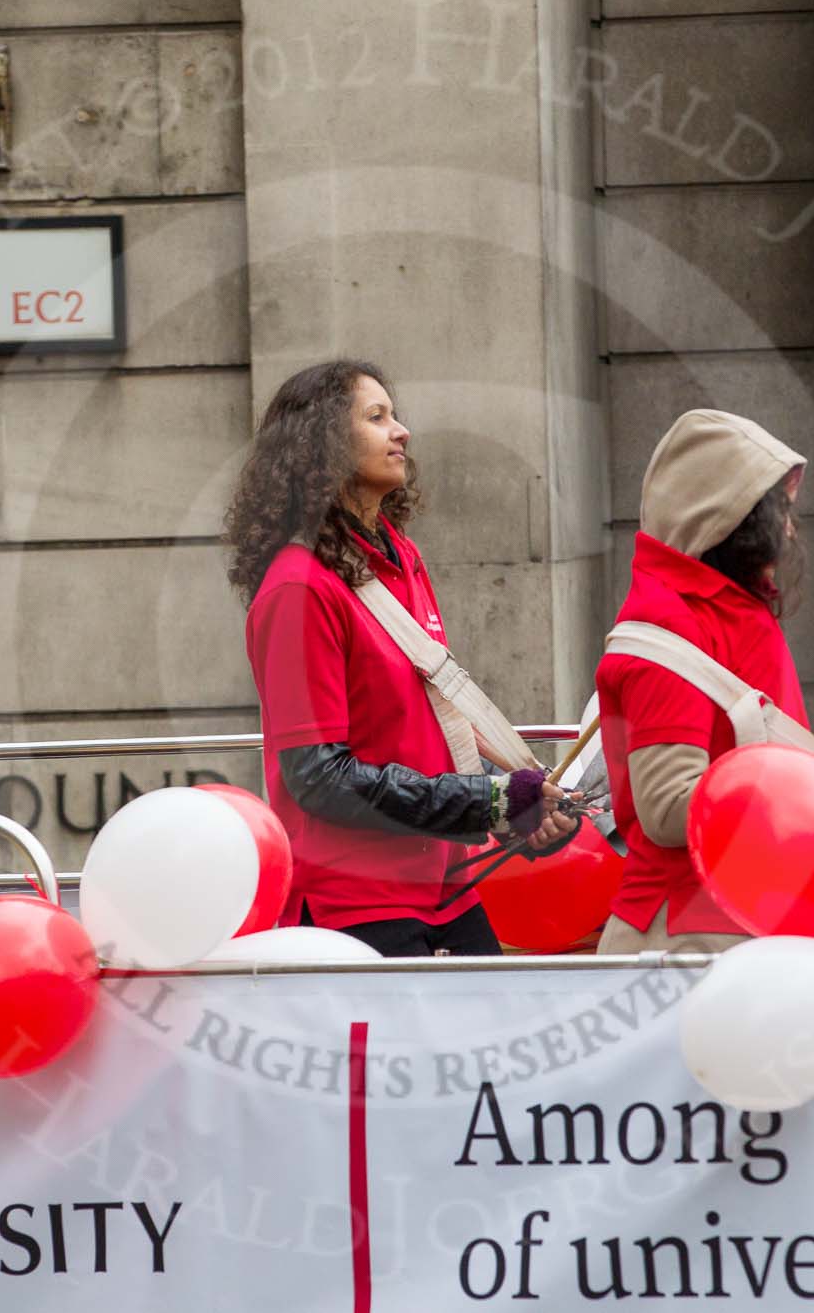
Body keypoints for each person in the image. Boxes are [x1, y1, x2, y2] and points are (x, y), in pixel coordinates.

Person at [225, 359, 576, 957]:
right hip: (357, 905)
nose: (402, 431)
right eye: (377, 416)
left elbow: (432, 736)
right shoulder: (299, 589)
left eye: (395, 414)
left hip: (446, 888)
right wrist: (485, 801)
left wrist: (517, 805)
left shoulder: (403, 559)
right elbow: (317, 779)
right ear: (323, 444)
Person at [594, 409, 814, 954]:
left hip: (738, 924)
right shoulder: (670, 624)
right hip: (689, 934)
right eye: (775, 511)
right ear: (725, 520)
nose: (788, 528)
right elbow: (668, 811)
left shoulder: (720, 611)